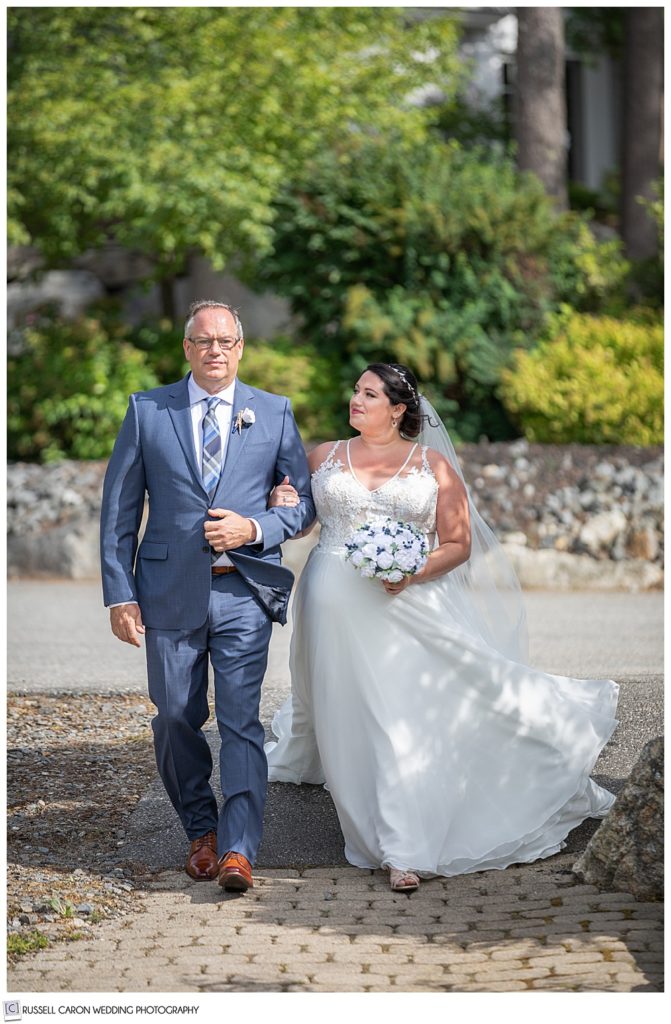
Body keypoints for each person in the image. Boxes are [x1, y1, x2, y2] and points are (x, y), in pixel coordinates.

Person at [265, 362, 619, 893]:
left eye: (369, 393)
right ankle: (370, 809)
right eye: (355, 390)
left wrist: (410, 571)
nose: (356, 400)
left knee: (396, 716)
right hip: (328, 603)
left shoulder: (432, 466)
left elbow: (458, 544)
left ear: (399, 409)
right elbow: (303, 524)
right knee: (347, 711)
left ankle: (403, 846)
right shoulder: (325, 456)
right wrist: (282, 501)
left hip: (403, 604)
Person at [100, 299, 315, 893]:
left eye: (225, 341)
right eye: (203, 341)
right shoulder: (147, 410)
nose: (214, 350)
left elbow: (303, 504)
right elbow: (119, 509)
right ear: (187, 349)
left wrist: (256, 529)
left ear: (240, 348)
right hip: (167, 592)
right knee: (174, 717)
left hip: (245, 591)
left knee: (242, 720)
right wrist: (120, 594)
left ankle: (239, 849)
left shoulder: (273, 413)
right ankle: (201, 830)